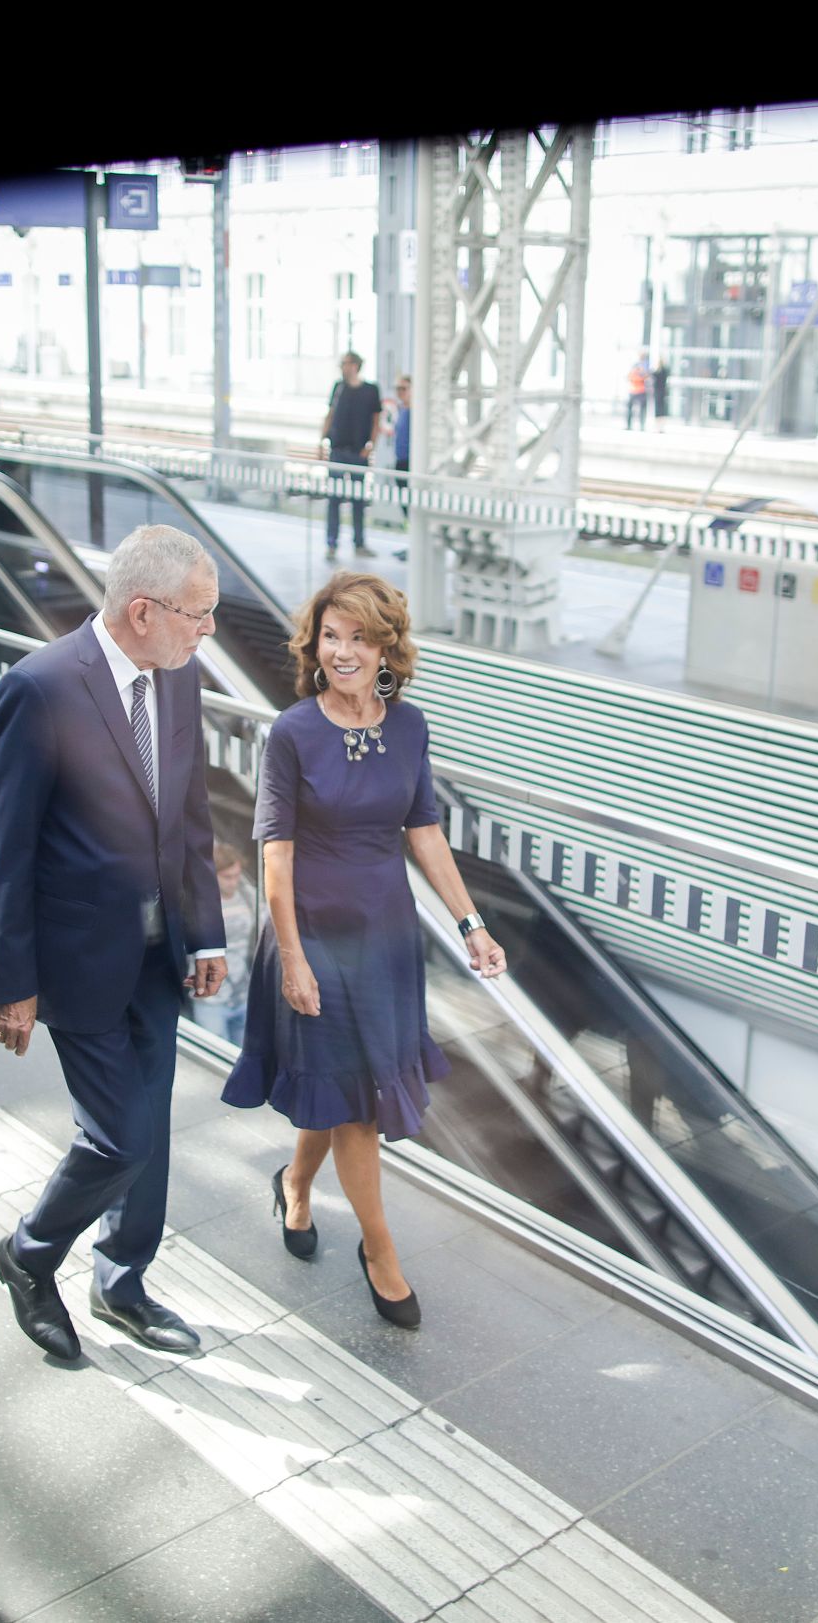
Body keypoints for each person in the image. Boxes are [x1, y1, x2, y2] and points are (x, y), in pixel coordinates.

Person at [221, 571, 506, 1329]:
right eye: (330, 635)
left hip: (385, 939)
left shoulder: (408, 727)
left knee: (343, 1090)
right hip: (311, 934)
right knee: (360, 1111)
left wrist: (471, 923)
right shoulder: (292, 733)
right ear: (313, 644)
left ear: (386, 647)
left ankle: (296, 1185)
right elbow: (273, 857)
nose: (342, 650)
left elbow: (425, 832)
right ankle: (380, 1251)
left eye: (359, 637)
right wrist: (292, 956)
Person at [0, 524, 228, 1361]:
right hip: (76, 961)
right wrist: (9, 979)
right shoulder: (42, 687)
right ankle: (29, 1254)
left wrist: (206, 935)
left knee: (148, 1124)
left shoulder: (177, 679)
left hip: (160, 958)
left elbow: (190, 819)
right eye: (199, 614)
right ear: (144, 609)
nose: (209, 630)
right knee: (116, 1134)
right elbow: (4, 844)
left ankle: (122, 1278)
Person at [191, 840, 258, 1047]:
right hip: (211, 999)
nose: (233, 882)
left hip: (242, 993)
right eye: (227, 877)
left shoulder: (248, 895)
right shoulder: (198, 904)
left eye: (237, 876)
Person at [318, 352, 382, 558]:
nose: (343, 368)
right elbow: (330, 414)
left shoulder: (371, 390)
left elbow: (376, 421)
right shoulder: (339, 388)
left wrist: (370, 447)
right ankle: (331, 543)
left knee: (358, 500)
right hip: (337, 450)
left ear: (355, 366)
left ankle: (359, 543)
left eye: (345, 364)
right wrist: (321, 441)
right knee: (334, 498)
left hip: (358, 453)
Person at [390, 374, 411, 562]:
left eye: (403, 389)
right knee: (405, 506)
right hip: (400, 462)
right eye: (398, 389)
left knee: (412, 507)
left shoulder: (416, 413)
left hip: (411, 465)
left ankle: (415, 545)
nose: (400, 393)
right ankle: (411, 543)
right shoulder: (401, 410)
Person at [626, 353, 649, 429]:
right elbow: (629, 377)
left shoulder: (645, 366)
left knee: (642, 410)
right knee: (630, 410)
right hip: (634, 391)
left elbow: (646, 377)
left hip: (640, 391)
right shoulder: (635, 367)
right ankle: (629, 426)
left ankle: (642, 426)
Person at [652, 357, 670, 431]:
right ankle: (661, 427)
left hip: (658, 393)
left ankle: (658, 427)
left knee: (658, 410)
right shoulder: (665, 371)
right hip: (663, 392)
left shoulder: (656, 372)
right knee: (662, 410)